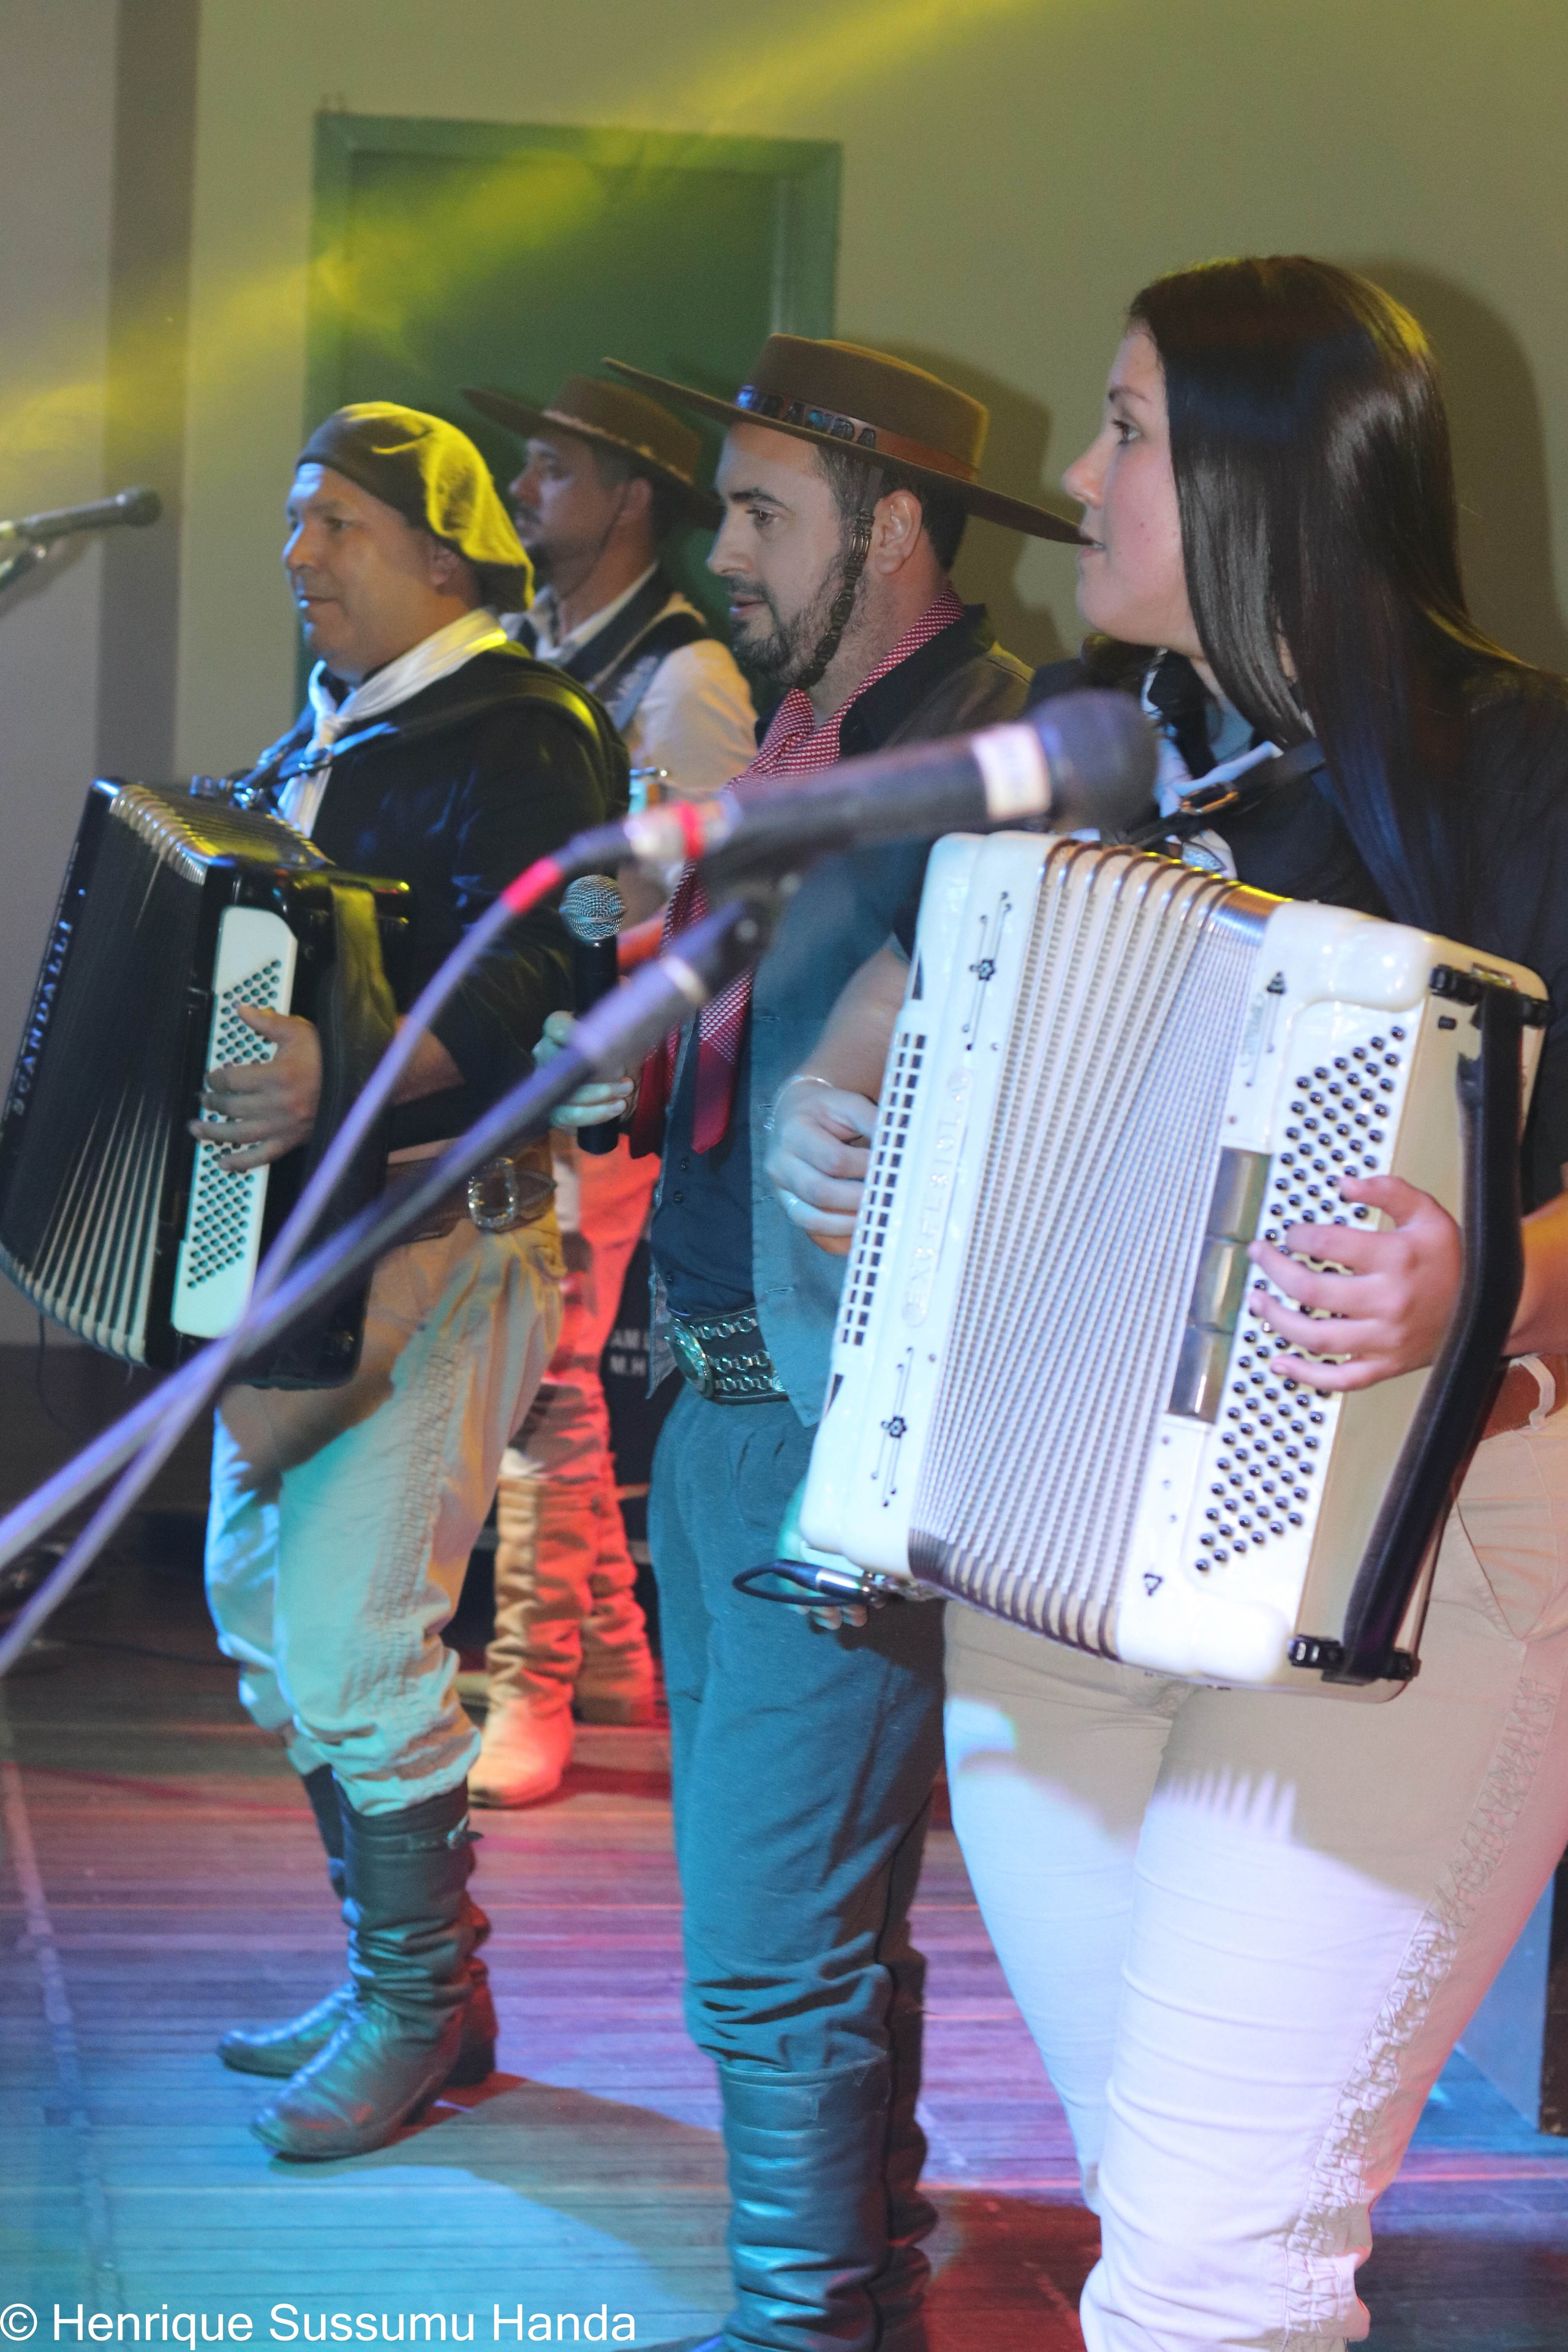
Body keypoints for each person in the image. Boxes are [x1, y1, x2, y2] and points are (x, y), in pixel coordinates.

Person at [767, 260, 1568, 2351]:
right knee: (1176, 2206)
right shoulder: (1108, 754)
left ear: (1263, 470)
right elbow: (898, 1015)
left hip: (1422, 1571)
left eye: (1125, 428)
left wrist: (1490, 1270)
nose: (1075, 475)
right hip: (1055, 1591)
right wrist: (843, 1139)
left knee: (1216, 2259)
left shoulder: (1525, 766)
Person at [548, 333, 1080, 2352]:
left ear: (897, 525)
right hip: (710, 1403)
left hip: (839, 1429)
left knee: (768, 1942)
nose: (726, 552)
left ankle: (807, 2317)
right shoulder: (797, 741)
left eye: (765, 513)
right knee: (815, 1912)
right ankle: (867, 2259)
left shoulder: (1000, 759)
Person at [200, 402, 626, 2160]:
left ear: (444, 555)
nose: (296, 555)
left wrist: (352, 1069)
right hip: (312, 1252)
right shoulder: (327, 733)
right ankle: (414, 1981)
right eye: (296, 523)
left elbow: (549, 965)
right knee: (265, 1616)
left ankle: (412, 2005)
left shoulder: (527, 730)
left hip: (441, 1234)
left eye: (337, 525)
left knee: (356, 1633)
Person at [456, 376, 756, 1804]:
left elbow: (725, 908)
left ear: (634, 499)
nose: (523, 492)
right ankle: (618, 1658)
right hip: (529, 1067)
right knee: (543, 1356)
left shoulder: (688, 681)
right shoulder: (529, 647)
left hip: (611, 1076)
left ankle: (532, 1689)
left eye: (552, 470)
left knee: (543, 1367)